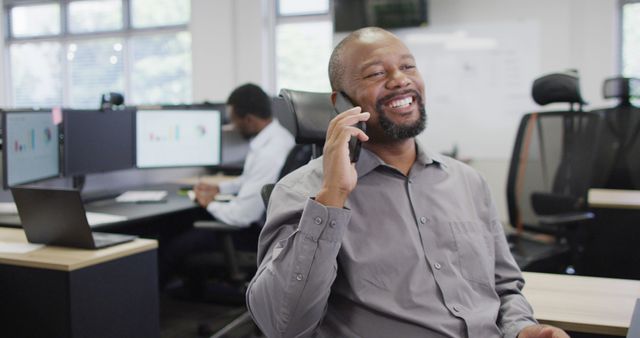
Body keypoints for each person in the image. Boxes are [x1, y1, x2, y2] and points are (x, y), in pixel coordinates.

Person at [246, 28, 569, 338]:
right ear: (340, 101)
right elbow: (282, 325)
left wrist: (521, 328)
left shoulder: (467, 182)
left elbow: (504, 287)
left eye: (407, 66)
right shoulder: (301, 190)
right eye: (376, 74)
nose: (400, 79)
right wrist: (332, 197)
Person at [159, 83, 295, 288]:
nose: (233, 126)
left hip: (252, 235)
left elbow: (242, 216)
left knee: (172, 247)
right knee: (179, 225)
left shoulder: (269, 153)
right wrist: (219, 189)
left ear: (249, 119)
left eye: (234, 120)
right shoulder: (276, 138)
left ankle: (150, 312)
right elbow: (250, 179)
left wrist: (209, 203)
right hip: (262, 226)